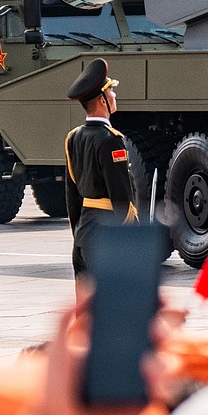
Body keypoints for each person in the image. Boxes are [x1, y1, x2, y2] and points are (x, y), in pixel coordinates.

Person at [63, 58, 137, 275]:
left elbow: (72, 196)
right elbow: (122, 197)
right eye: (111, 91)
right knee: (109, 306)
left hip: (83, 236)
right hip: (105, 238)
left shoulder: (73, 138)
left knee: (85, 307)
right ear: (102, 100)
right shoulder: (111, 140)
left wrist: (79, 234)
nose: (114, 95)